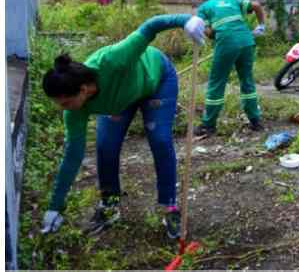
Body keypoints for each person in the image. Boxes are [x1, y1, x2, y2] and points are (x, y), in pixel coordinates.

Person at [40, 12, 207, 239]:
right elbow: (72, 156)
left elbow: (151, 25)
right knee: (105, 146)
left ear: (83, 89)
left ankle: (170, 207)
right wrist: (54, 206)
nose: (64, 109)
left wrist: (186, 21)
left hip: (156, 81)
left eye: (66, 102)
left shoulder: (112, 60)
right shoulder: (75, 110)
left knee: (159, 139)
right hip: (120, 101)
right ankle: (109, 205)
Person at [194, 0, 266, 136]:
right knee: (247, 80)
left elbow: (207, 32)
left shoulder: (204, 7)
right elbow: (256, 5)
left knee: (217, 82)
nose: (198, 2)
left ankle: (208, 125)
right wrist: (261, 26)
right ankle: (255, 121)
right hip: (247, 40)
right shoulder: (231, 0)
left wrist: (212, 32)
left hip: (227, 42)